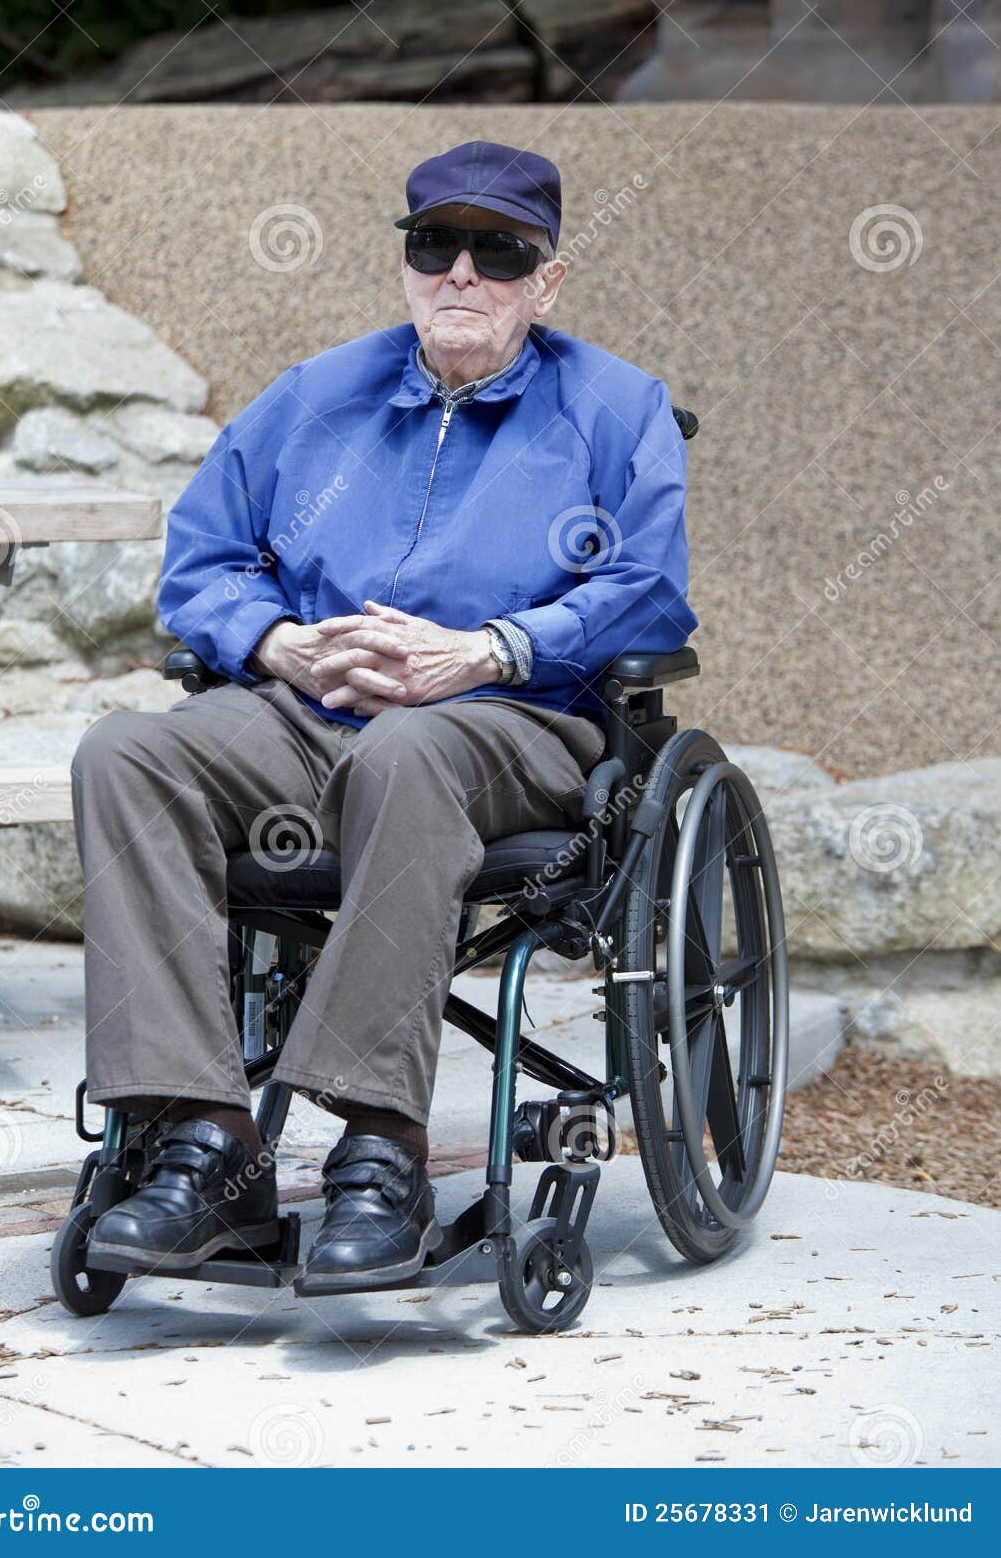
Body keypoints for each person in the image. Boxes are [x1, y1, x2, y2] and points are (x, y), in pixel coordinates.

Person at [70, 139, 697, 1293]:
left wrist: (488, 648)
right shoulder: (318, 397)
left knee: (409, 752)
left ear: (545, 279)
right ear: (407, 267)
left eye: (498, 250)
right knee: (126, 753)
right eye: (435, 245)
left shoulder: (615, 407)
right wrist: (276, 642)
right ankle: (209, 1139)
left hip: (513, 720)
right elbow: (203, 559)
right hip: (315, 711)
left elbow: (649, 589)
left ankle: (380, 1145)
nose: (463, 272)